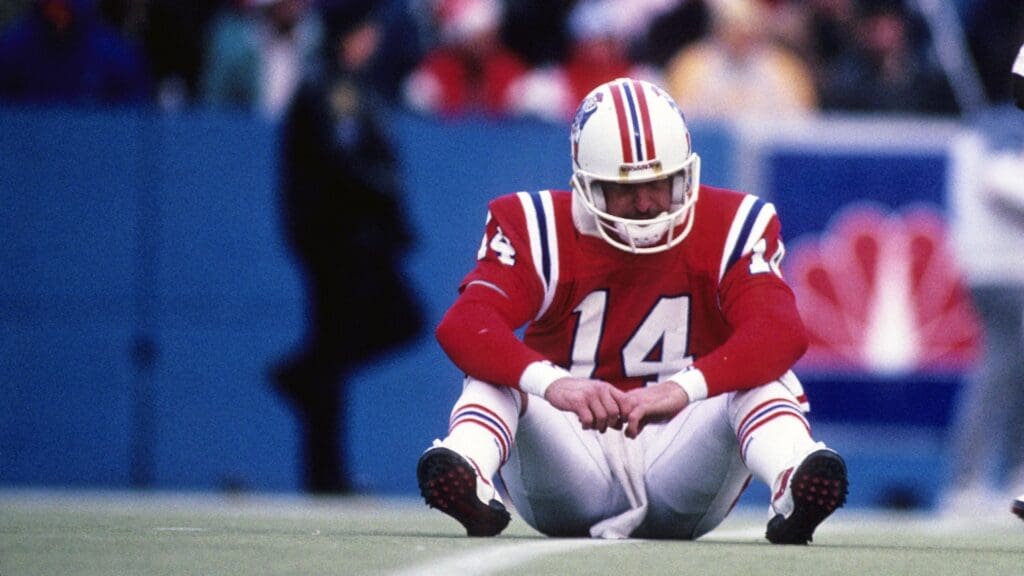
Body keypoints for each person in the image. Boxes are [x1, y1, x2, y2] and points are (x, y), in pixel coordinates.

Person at [416, 77, 848, 543]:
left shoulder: (734, 225)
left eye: (661, 182)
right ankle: (469, 468)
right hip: (567, 458)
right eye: (625, 188)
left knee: (768, 374)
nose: (646, 203)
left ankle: (792, 478)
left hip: (682, 456)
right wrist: (555, 383)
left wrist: (684, 388)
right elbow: (466, 325)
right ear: (585, 185)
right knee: (495, 371)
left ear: (686, 172)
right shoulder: (537, 227)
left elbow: (780, 333)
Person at [272, 0, 423, 494]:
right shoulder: (329, 88)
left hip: (349, 239)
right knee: (361, 339)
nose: (372, 39)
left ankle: (310, 389)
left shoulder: (344, 85)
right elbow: (344, 163)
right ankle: (324, 471)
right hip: (339, 240)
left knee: (336, 353)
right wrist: (387, 203)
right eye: (364, 31)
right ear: (349, 35)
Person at [0, 0, 151, 106]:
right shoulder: (14, 49)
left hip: (95, 144)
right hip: (28, 143)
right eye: (54, 8)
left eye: (63, 11)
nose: (59, 18)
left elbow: (133, 115)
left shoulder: (115, 55)